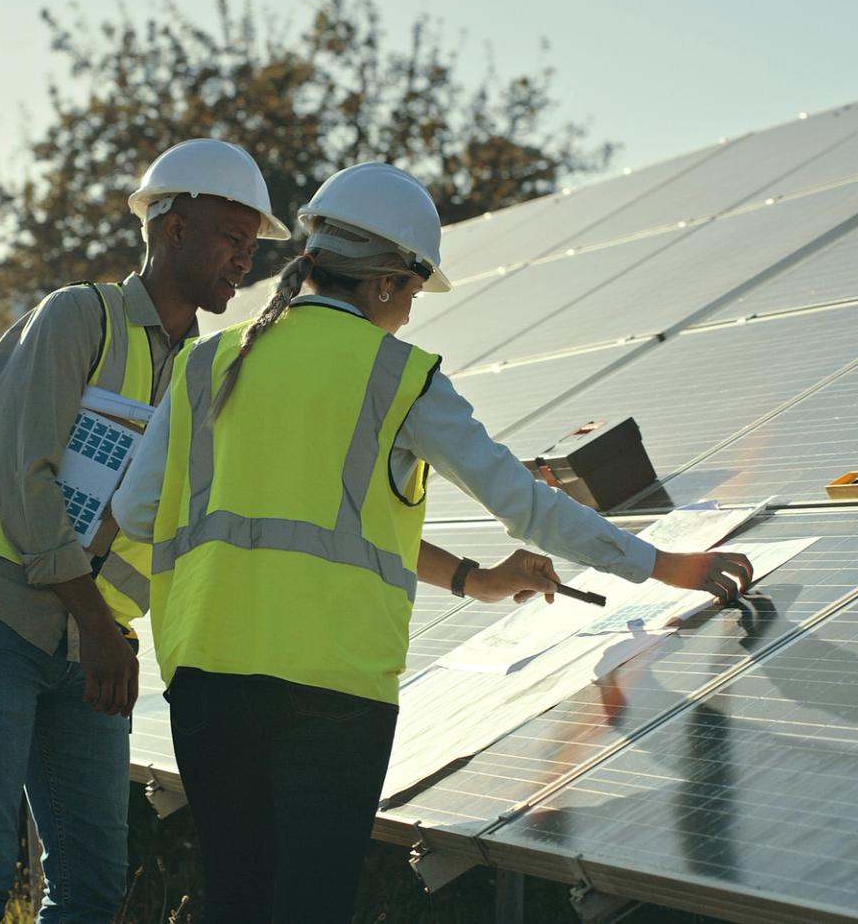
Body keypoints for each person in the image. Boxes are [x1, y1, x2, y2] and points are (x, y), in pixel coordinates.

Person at [112, 162, 754, 922]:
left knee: (237, 901)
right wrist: (666, 562)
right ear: (386, 281)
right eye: (413, 292)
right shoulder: (400, 377)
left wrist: (473, 579)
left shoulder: (206, 363)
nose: (411, 313)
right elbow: (527, 506)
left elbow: (139, 508)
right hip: (333, 692)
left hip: (207, 679)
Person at [0, 138, 291, 922]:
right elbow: (27, 482)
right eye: (232, 239)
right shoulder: (76, 317)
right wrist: (97, 623)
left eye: (252, 248)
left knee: (89, 888)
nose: (242, 262)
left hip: (92, 646)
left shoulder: (204, 369)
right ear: (172, 227)